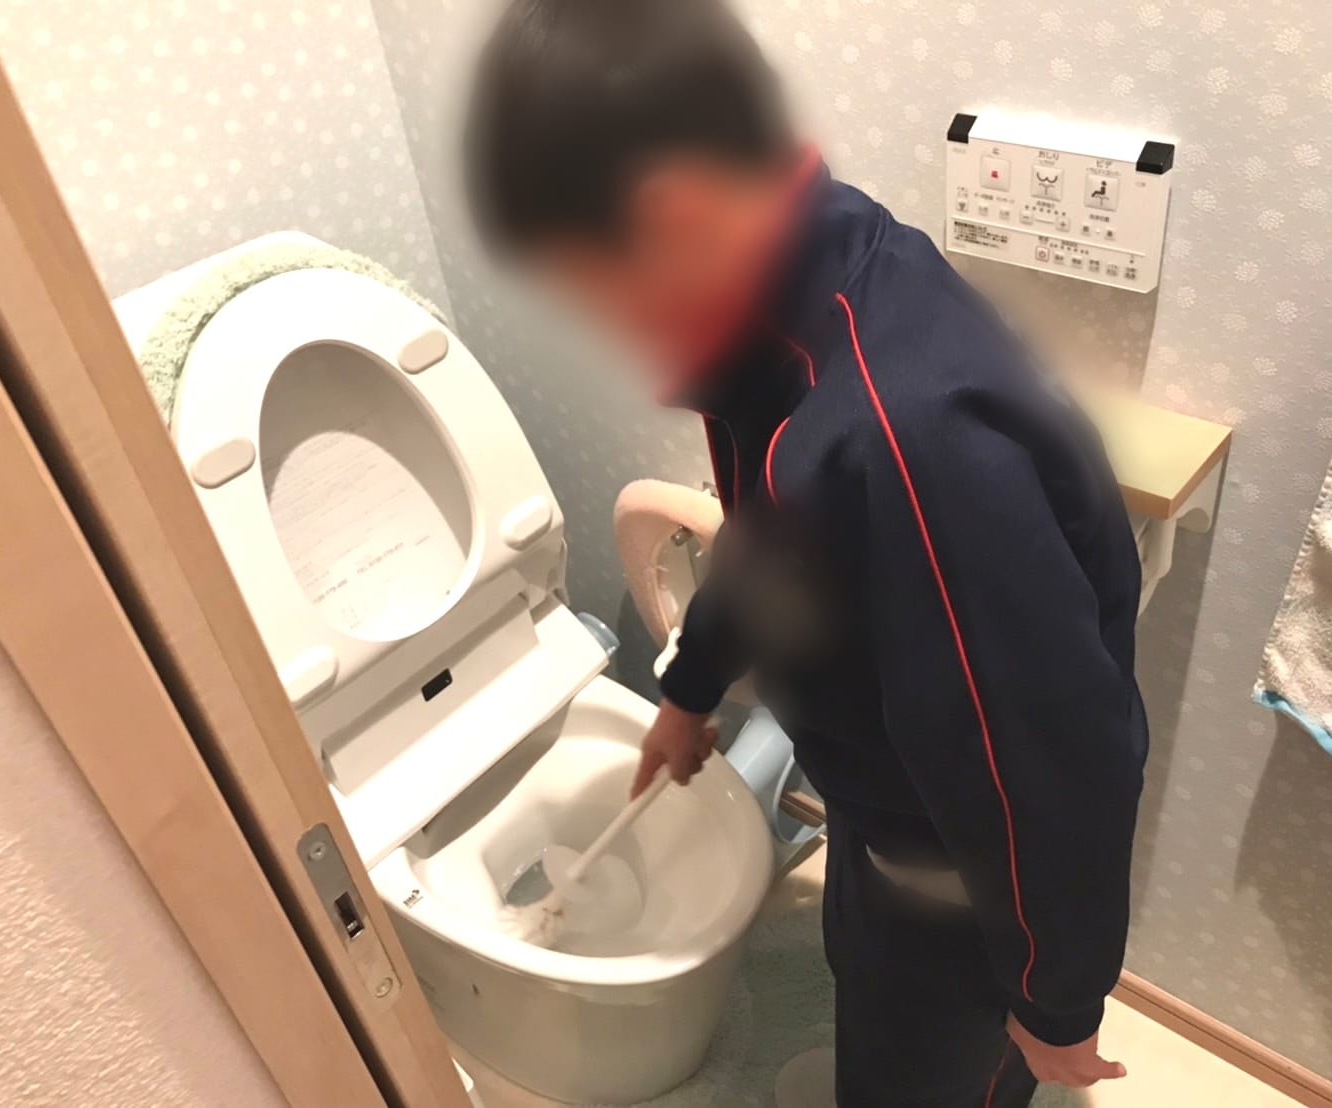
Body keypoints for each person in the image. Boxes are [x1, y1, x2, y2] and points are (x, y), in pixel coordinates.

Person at [465, 1, 1148, 1104]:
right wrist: (690, 687)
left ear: (675, 216)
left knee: (928, 1071)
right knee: (873, 1000)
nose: (618, 333)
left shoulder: (910, 443)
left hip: (958, 893)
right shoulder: (801, 287)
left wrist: (1054, 1001)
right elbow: (772, 533)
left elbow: (1043, 761)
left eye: (601, 296)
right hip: (885, 826)